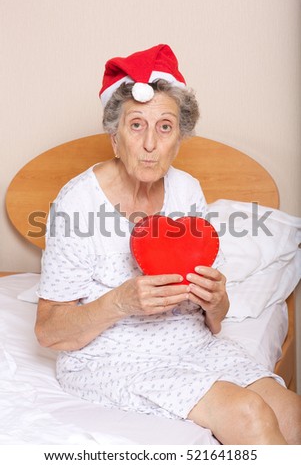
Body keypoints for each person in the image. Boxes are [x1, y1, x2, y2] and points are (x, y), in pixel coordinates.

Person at [35, 44, 301, 444]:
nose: (149, 144)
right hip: (112, 358)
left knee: (291, 411)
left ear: (180, 138)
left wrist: (215, 301)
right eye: (136, 124)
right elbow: (48, 332)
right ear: (114, 137)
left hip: (191, 344)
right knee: (248, 412)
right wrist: (122, 301)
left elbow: (214, 320)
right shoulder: (76, 203)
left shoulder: (187, 190)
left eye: (165, 126)